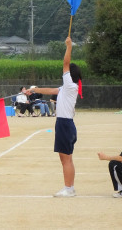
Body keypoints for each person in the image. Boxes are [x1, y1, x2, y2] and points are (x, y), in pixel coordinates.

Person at [27, 36, 83, 197]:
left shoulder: (70, 85)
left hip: (64, 124)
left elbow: (65, 64)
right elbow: (51, 91)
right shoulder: (68, 88)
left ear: (69, 74)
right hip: (66, 124)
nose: (63, 72)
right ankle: (70, 187)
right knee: (67, 159)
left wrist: (69, 46)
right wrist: (35, 89)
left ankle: (68, 188)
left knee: (65, 159)